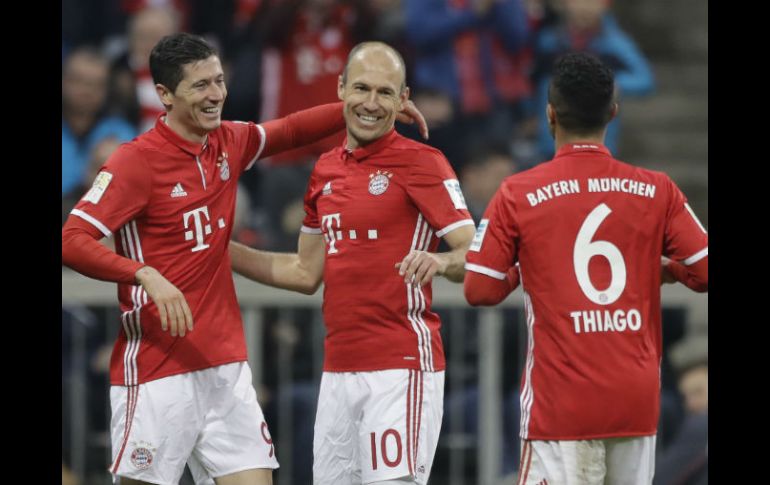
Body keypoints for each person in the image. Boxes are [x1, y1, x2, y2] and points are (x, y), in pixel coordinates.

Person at [61, 33, 428, 485]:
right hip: (158, 371)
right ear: (164, 95)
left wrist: (367, 108)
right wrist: (142, 274)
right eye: (200, 86)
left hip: (226, 371)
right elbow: (72, 239)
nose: (216, 94)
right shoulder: (134, 163)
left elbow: (291, 129)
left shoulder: (227, 143)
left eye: (218, 81)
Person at [229, 41, 476, 485]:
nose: (371, 103)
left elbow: (473, 251)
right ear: (340, 89)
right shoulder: (324, 170)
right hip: (339, 371)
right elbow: (305, 273)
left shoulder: (424, 162)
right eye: (361, 88)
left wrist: (439, 263)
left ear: (403, 101)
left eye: (386, 93)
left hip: (401, 368)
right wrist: (221, 251)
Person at [463, 53, 708, 484]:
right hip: (634, 402)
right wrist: (665, 267)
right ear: (613, 113)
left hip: (561, 405)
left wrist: (534, 264)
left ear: (550, 114)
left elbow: (479, 288)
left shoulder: (517, 192)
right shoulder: (658, 189)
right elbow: (704, 270)